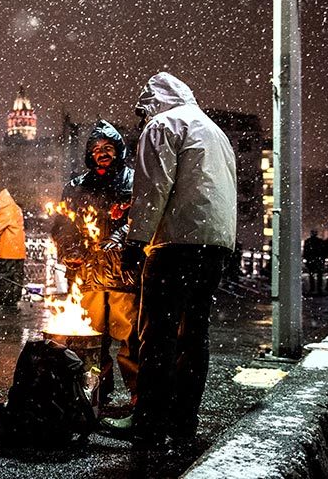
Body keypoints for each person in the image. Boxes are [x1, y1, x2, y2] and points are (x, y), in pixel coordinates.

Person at [102, 72, 237, 447]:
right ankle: (183, 421)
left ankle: (148, 422)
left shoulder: (163, 125)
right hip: (214, 244)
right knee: (195, 335)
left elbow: (152, 188)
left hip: (175, 245)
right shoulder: (214, 131)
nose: (142, 120)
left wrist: (135, 240)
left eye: (142, 112)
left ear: (152, 103)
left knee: (157, 334)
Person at [50, 119, 140, 406]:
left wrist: (122, 237)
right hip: (86, 275)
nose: (102, 153)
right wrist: (69, 250)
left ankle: (139, 396)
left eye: (108, 147)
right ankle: (93, 393)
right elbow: (63, 226)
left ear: (118, 149)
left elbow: (142, 220)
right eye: (96, 148)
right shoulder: (76, 187)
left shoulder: (135, 181)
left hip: (124, 275)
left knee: (132, 342)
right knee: (88, 342)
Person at [0, 188, 27, 308]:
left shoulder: (7, 211)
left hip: (8, 249)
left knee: (6, 275)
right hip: (18, 249)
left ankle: (7, 299)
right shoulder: (16, 208)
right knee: (17, 275)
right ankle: (15, 297)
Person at [302, 230, 326, 295]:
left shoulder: (308, 241)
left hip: (311, 260)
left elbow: (305, 252)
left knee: (312, 275)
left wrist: (306, 259)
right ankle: (319, 289)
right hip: (318, 260)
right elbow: (323, 251)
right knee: (319, 275)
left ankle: (313, 288)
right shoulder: (320, 241)